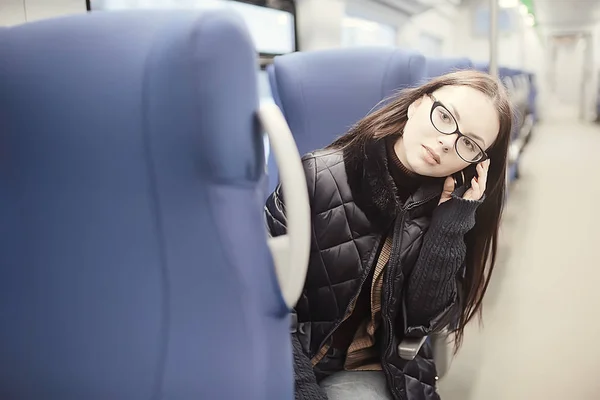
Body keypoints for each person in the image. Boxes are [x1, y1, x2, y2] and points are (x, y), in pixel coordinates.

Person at [265, 70, 513, 400]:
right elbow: (265, 303)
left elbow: (422, 321)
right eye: (444, 117)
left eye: (468, 143)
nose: (446, 142)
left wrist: (449, 226)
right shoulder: (315, 177)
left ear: (477, 163)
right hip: (294, 362)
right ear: (416, 105)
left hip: (374, 366)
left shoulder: (453, 208)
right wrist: (302, 389)